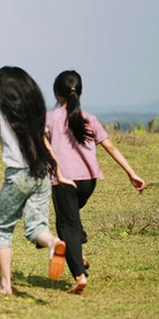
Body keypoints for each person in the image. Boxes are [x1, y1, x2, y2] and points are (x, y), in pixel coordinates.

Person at [0, 66, 74, 296]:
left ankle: (5, 285)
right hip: (42, 174)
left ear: (2, 91)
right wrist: (60, 173)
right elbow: (46, 144)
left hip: (17, 176)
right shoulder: (35, 112)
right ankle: (54, 243)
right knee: (37, 227)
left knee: (2, 229)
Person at [46, 70, 146, 294]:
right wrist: (132, 173)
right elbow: (110, 146)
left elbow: (41, 145)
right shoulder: (89, 118)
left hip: (64, 180)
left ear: (56, 93)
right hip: (89, 182)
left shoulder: (50, 119)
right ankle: (78, 252)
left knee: (67, 226)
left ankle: (79, 275)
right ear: (79, 92)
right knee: (69, 219)